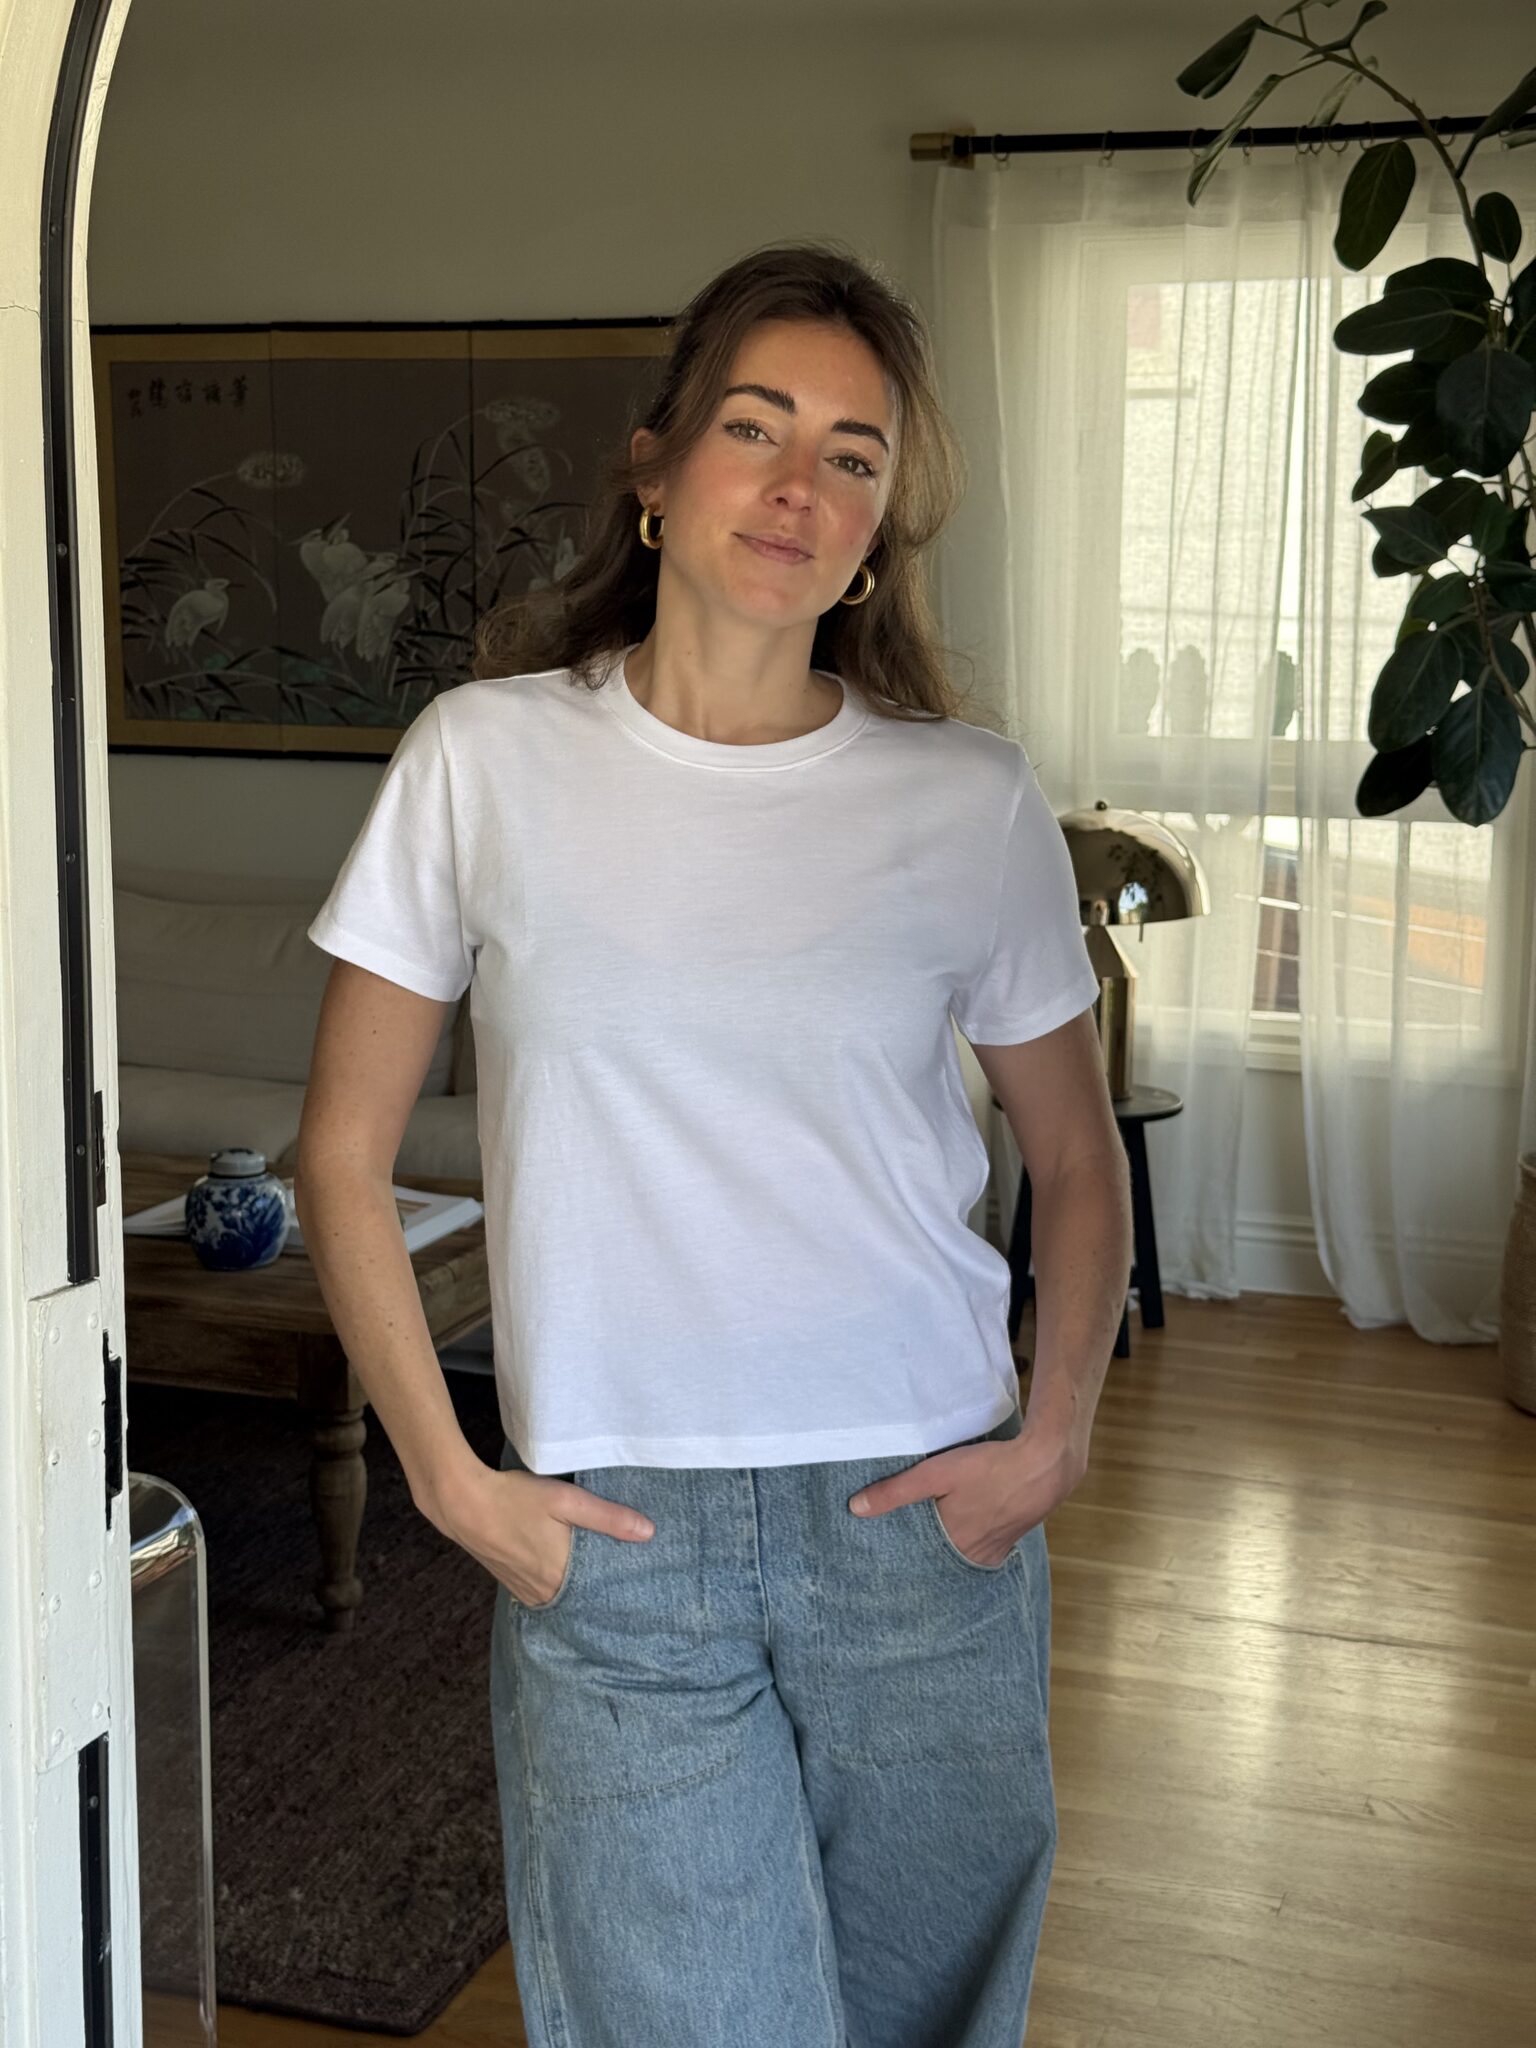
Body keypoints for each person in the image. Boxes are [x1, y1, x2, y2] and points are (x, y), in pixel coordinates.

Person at [295, 240, 1133, 2048]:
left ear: (880, 525)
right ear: (654, 469)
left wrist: (1054, 1434)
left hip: (926, 1521)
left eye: (855, 453)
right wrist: (445, 1477)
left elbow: (1075, 1158)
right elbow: (343, 1157)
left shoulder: (966, 795)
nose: (800, 484)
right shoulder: (482, 761)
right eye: (758, 427)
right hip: (618, 1541)